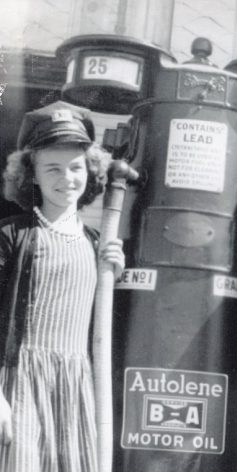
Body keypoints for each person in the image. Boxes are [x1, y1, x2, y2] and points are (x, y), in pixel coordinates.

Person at [0, 101, 125, 471]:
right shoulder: (12, 235)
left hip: (76, 386)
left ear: (90, 171)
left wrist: (111, 277)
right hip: (19, 382)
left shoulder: (96, 243)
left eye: (75, 167)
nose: (66, 178)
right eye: (52, 168)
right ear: (32, 175)